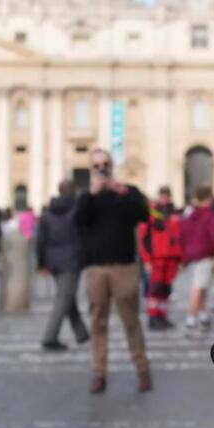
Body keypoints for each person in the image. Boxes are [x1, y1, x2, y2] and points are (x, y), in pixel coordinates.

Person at [74, 148, 152, 394]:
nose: (102, 169)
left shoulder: (128, 192)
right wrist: (92, 193)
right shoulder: (87, 196)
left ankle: (142, 368)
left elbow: (144, 214)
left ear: (112, 165)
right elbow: (77, 221)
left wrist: (123, 191)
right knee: (98, 322)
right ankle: (98, 372)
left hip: (124, 267)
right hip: (96, 268)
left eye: (105, 164)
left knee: (131, 320)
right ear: (91, 169)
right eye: (96, 166)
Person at [37, 180, 89, 350]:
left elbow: (41, 241)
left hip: (53, 260)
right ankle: (50, 337)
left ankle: (81, 333)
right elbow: (84, 235)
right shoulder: (77, 211)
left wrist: (42, 263)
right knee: (64, 298)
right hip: (72, 259)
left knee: (67, 296)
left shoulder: (47, 213)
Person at [138, 185, 183, 330]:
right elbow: (144, 238)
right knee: (155, 289)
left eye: (166, 195)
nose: (164, 198)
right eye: (162, 195)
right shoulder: (151, 214)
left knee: (165, 289)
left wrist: (180, 259)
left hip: (171, 258)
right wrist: (147, 260)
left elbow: (179, 237)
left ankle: (162, 316)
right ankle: (153, 316)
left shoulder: (174, 213)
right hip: (157, 258)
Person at [179, 185, 214, 330]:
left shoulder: (191, 214)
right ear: (208, 198)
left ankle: (203, 314)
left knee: (201, 285)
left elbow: (182, 233)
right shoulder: (209, 215)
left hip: (191, 253)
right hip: (204, 253)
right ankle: (191, 317)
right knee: (198, 286)